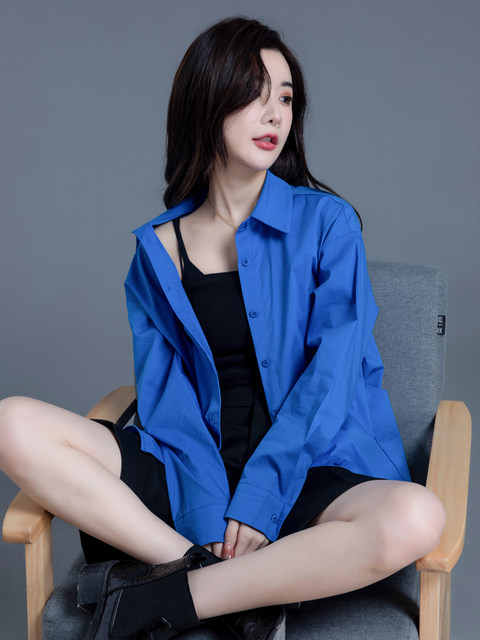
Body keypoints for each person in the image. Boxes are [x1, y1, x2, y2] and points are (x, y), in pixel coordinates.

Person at [0, 16, 445, 640]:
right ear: (208, 102)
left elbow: (332, 375)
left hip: (307, 469)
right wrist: (208, 512)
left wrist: (262, 496)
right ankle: (209, 574)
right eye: (254, 94)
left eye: (285, 97)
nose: (275, 114)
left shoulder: (329, 224)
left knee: (416, 516)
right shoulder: (157, 251)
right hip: (191, 470)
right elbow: (167, 400)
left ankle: (172, 599)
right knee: (11, 423)